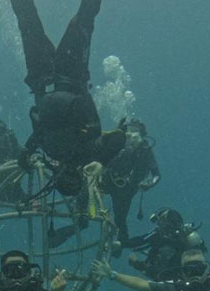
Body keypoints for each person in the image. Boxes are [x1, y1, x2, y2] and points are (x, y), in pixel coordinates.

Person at [10, 0, 126, 199]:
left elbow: (40, 129)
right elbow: (118, 138)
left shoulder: (51, 152)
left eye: (64, 178)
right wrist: (102, 162)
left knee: (26, 20)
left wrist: (26, 152)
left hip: (40, 77)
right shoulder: (90, 154)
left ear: (56, 176)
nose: (69, 173)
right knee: (83, 19)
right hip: (72, 74)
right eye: (74, 179)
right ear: (81, 176)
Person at [100, 118, 161, 241]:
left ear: (142, 135)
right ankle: (81, 216)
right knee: (87, 191)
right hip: (108, 179)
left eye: (135, 131)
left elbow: (157, 174)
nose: (131, 135)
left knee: (120, 218)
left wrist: (149, 184)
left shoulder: (145, 150)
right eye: (129, 130)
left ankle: (122, 242)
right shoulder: (118, 142)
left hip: (126, 190)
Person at [118, 207, 203, 280]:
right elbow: (141, 240)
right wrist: (121, 244)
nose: (158, 224)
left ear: (165, 223)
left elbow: (162, 276)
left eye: (161, 221)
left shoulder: (164, 243)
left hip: (174, 288)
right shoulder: (177, 239)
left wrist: (137, 264)